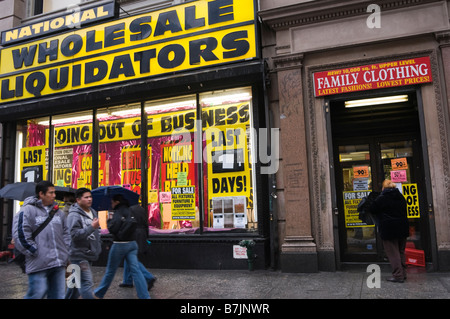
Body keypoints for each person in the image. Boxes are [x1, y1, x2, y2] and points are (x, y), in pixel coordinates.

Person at [12, 181, 70, 299]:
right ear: (41, 194)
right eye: (51, 193)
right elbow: (21, 234)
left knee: (58, 295)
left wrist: (65, 251)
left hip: (58, 262)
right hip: (38, 263)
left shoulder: (58, 212)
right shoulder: (27, 210)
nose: (54, 195)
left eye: (54, 192)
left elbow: (66, 233)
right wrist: (34, 251)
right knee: (37, 293)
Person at [94, 194, 150, 299]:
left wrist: (109, 221)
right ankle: (145, 296)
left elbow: (113, 229)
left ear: (117, 202)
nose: (111, 204)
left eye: (112, 202)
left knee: (110, 271)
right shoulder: (130, 210)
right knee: (136, 271)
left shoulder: (117, 213)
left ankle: (99, 292)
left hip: (120, 244)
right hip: (132, 244)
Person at [65, 188, 102, 299]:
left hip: (89, 253)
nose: (89, 199)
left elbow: (96, 232)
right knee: (86, 283)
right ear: (78, 200)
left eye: (90, 197)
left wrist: (98, 243)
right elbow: (74, 235)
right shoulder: (74, 215)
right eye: (86, 197)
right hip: (78, 255)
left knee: (74, 287)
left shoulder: (93, 211)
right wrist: (91, 227)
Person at [370, 179, 410, 283]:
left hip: (389, 229)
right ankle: (403, 273)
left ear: (383, 188)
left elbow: (372, 209)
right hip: (402, 228)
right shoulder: (401, 197)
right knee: (401, 251)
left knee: (393, 253)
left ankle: (398, 275)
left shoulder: (382, 198)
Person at [120, 204, 156, 290]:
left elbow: (127, 224)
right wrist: (146, 237)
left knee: (131, 258)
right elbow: (146, 224)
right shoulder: (141, 209)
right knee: (128, 256)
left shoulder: (128, 209)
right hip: (142, 235)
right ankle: (127, 280)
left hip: (133, 235)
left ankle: (148, 276)